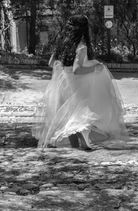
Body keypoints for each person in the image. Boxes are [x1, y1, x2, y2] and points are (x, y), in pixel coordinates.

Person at [32, 15, 128, 149]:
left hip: (63, 83)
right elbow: (77, 70)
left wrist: (63, 68)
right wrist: (95, 67)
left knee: (68, 116)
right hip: (75, 84)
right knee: (83, 113)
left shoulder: (62, 43)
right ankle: (84, 138)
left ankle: (77, 146)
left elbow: (51, 62)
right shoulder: (81, 46)